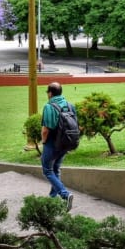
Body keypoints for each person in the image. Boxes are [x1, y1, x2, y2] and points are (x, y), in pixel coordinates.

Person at [40, 82, 75, 211]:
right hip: (65, 144)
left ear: (50, 93)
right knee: (55, 169)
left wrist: (43, 142)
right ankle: (53, 199)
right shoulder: (70, 105)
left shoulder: (49, 107)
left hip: (52, 144)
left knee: (47, 170)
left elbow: (45, 130)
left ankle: (65, 194)